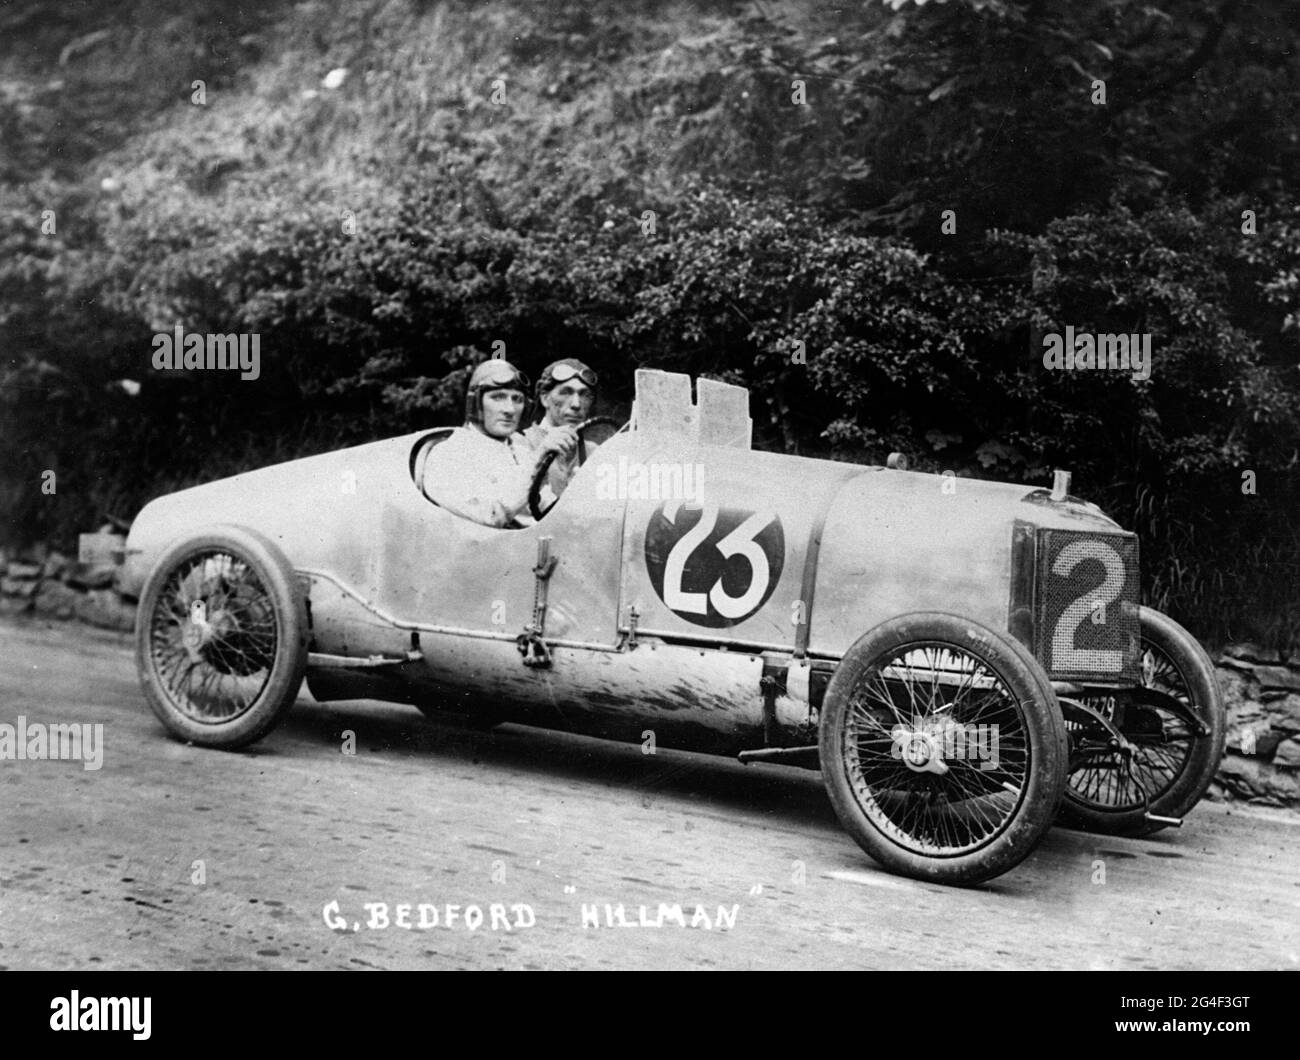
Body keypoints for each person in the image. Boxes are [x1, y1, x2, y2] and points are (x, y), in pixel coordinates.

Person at [422, 359, 577, 528]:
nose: (510, 409)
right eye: (498, 397)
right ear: (476, 404)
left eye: (517, 399)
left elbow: (548, 508)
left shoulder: (521, 452)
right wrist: (537, 462)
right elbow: (491, 516)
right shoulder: (449, 454)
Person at [521, 358, 599, 502]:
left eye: (584, 395)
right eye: (566, 392)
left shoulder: (594, 452)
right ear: (545, 398)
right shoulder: (520, 444)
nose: (576, 404)